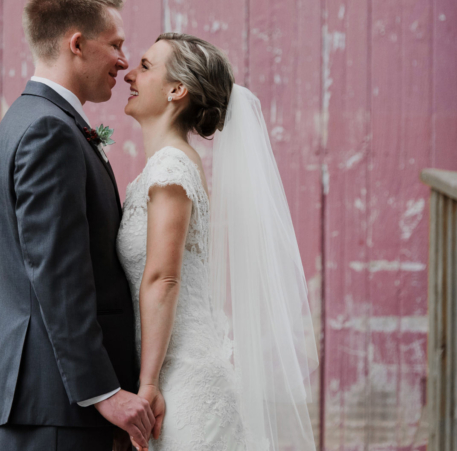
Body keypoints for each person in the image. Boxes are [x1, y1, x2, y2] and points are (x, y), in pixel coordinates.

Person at [118, 32, 319, 450]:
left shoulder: (171, 167)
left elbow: (163, 279)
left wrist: (148, 383)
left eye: (146, 66)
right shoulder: (165, 167)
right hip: (171, 374)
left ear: (177, 90)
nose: (129, 75)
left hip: (181, 383)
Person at [0, 0, 156, 451]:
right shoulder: (48, 130)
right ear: (77, 44)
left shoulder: (31, 118)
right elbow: (58, 273)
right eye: (116, 45)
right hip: (61, 409)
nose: (124, 62)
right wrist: (102, 392)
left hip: (48, 403)